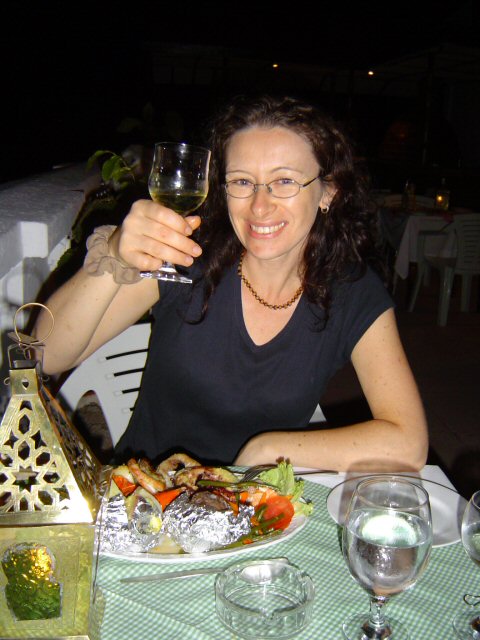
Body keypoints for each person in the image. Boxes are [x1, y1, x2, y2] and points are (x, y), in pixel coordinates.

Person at [35, 94, 428, 472]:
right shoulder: (188, 259)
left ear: (328, 192)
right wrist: (116, 254)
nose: (260, 205)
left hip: (259, 503)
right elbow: (45, 355)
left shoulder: (350, 290)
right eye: (242, 182)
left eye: (284, 181)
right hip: (148, 495)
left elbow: (408, 443)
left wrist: (266, 449)